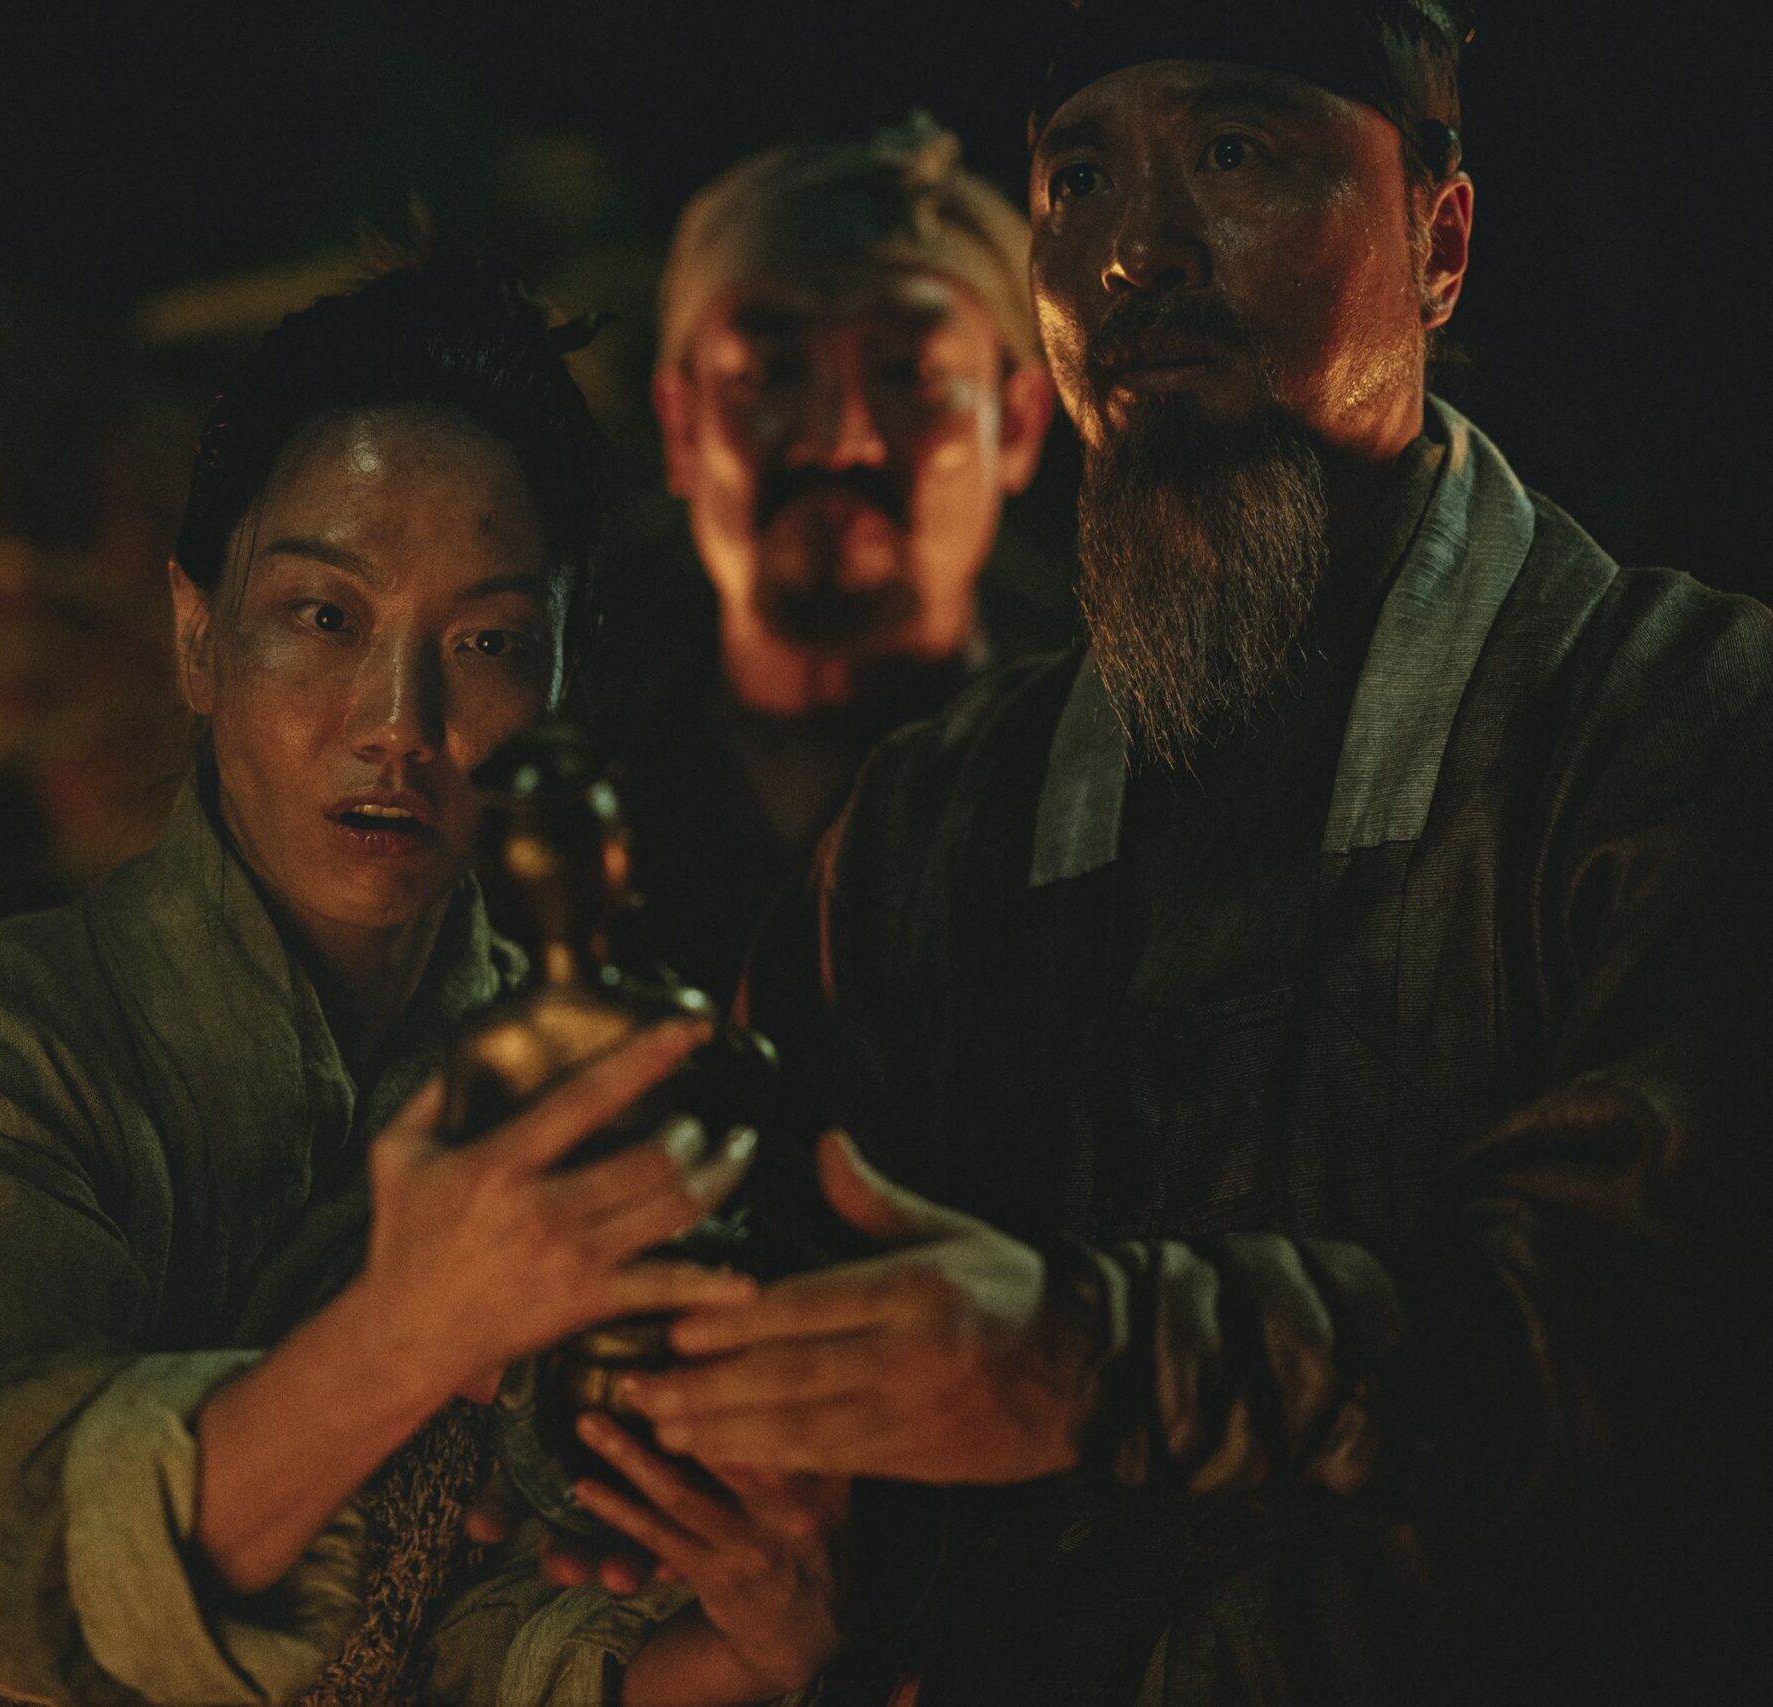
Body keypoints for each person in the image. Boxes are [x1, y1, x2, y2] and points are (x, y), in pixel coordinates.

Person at [597, 3, 1773, 1702]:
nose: (1134, 250)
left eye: (1233, 154)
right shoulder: (936, 824)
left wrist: (1093, 1364)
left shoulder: (1683, 730)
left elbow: (1651, 1353)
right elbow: (762, 1343)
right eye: (1078, 180)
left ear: (1440, 241)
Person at [0, 257, 848, 1707]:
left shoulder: (582, 1090)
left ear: (560, 686)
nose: (398, 723)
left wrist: (753, 1642)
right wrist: (408, 1333)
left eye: (486, 642)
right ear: (198, 637)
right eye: (323, 616)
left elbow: (514, 1631)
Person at [595, 114, 1064, 1002]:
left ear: (1020, 422)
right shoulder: (553, 815)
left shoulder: (1099, 809)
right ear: (681, 425)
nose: (837, 439)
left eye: (908, 373)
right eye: (767, 374)